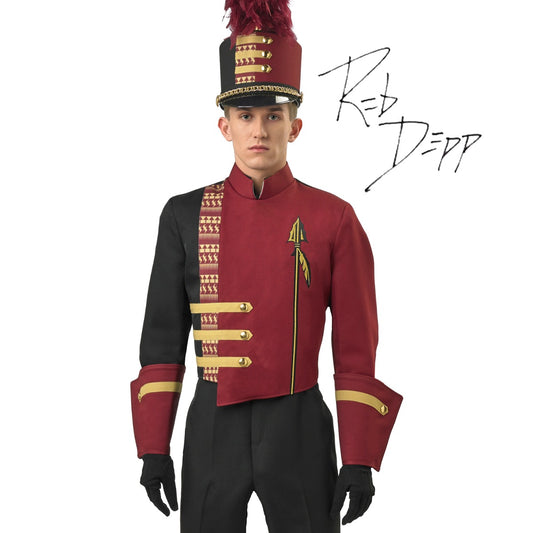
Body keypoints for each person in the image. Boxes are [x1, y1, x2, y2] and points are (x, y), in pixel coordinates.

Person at [130, 2, 402, 531]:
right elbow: (161, 337)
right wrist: (153, 447)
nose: (259, 130)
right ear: (224, 125)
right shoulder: (183, 214)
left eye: (273, 116)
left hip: (299, 425)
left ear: (295, 126)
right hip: (213, 425)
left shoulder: (334, 217)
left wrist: (359, 457)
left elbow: (356, 343)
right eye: (246, 116)